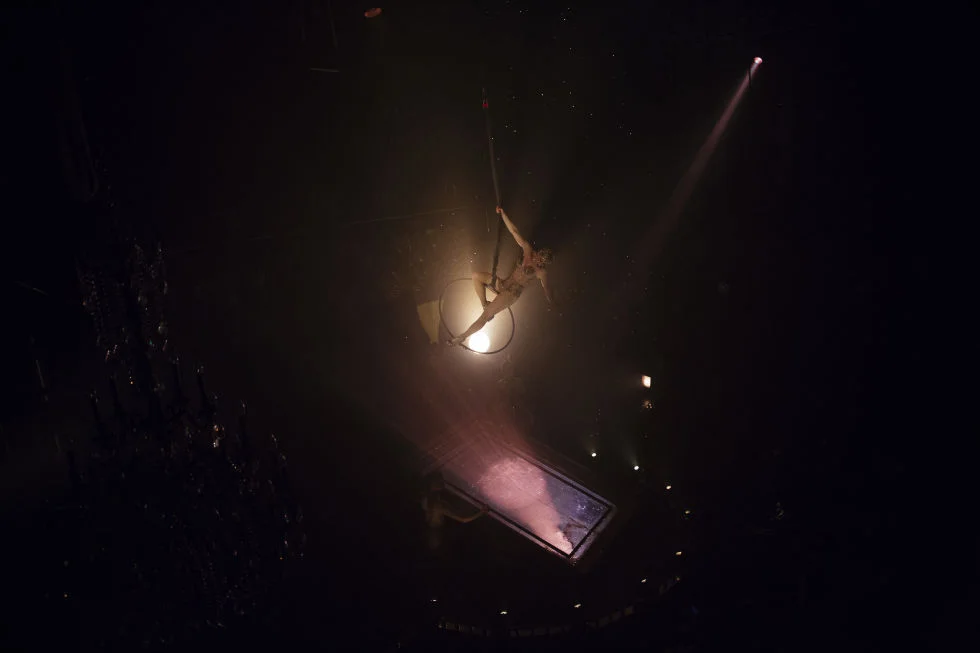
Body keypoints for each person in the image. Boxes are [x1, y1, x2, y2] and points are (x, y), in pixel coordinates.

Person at [448, 206, 554, 346]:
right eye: (539, 256)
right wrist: (503, 214)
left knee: (485, 316)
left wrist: (552, 302)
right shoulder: (528, 250)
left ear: (543, 263)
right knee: (476, 276)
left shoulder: (541, 272)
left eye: (541, 261)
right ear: (539, 252)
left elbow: (546, 289)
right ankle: (484, 304)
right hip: (503, 284)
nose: (537, 260)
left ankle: (462, 337)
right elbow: (514, 231)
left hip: (511, 294)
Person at [421, 473, 488, 528]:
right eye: (441, 518)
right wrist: (481, 512)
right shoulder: (437, 507)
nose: (441, 517)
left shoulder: (432, 506)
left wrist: (481, 512)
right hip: (435, 482)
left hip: (434, 480)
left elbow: (463, 520)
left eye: (439, 518)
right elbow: (463, 519)